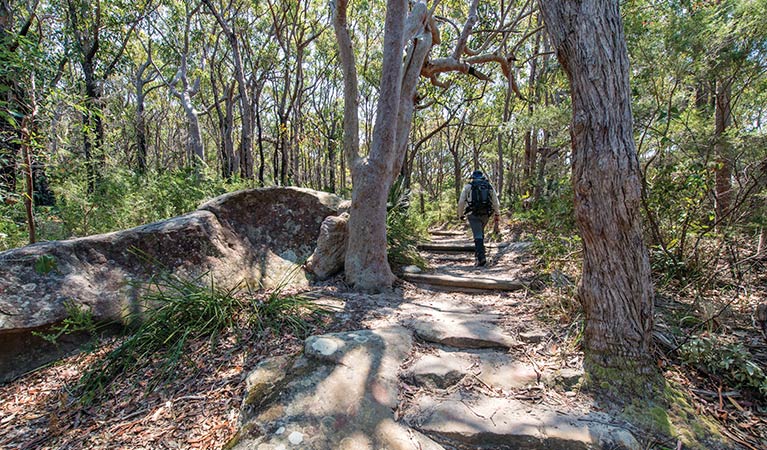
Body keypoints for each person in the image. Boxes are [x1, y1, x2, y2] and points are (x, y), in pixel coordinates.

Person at [458, 170, 501, 266]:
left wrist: (460, 215)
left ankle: (481, 258)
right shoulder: (488, 186)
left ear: (472, 177)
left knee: (477, 235)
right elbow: (495, 202)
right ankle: (478, 255)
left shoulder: (468, 187)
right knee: (480, 233)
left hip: (472, 214)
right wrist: (497, 214)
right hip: (486, 214)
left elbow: (461, 202)